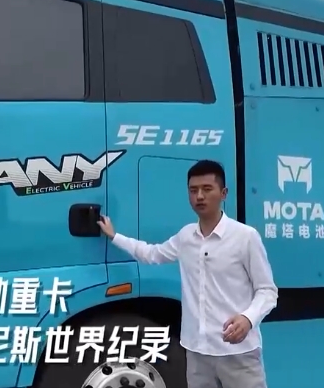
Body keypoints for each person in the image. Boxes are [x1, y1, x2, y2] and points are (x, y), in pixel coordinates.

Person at [97, 160, 278, 388]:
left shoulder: (245, 237)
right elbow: (151, 253)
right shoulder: (185, 237)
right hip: (197, 353)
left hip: (237, 353)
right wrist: (115, 237)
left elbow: (267, 291)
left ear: (224, 193)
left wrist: (248, 319)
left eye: (207, 189)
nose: (199, 196)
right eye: (193, 190)